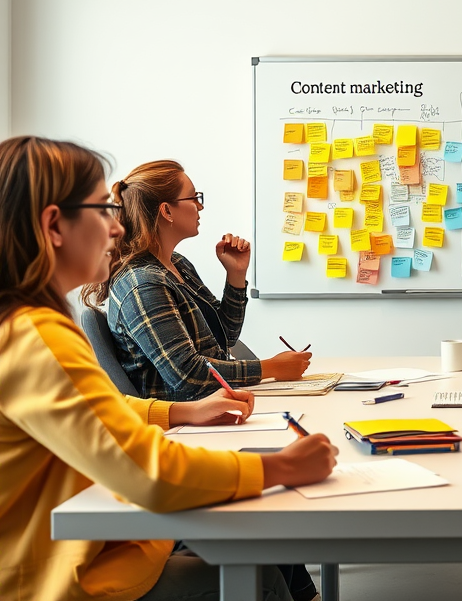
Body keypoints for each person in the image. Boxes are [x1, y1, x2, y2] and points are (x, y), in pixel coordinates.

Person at [0, 136, 337, 601]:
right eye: (102, 210)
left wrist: (178, 413)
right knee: (258, 575)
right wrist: (278, 467)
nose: (116, 229)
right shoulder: (39, 337)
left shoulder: (25, 328)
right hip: (63, 579)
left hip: (87, 547)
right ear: (55, 225)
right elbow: (145, 469)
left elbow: (98, 411)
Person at [84, 160, 310, 402]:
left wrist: (236, 275)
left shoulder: (177, 264)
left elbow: (225, 338)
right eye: (193, 198)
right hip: (186, 418)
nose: (200, 206)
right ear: (167, 211)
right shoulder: (143, 284)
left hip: (214, 402)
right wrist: (271, 368)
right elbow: (187, 377)